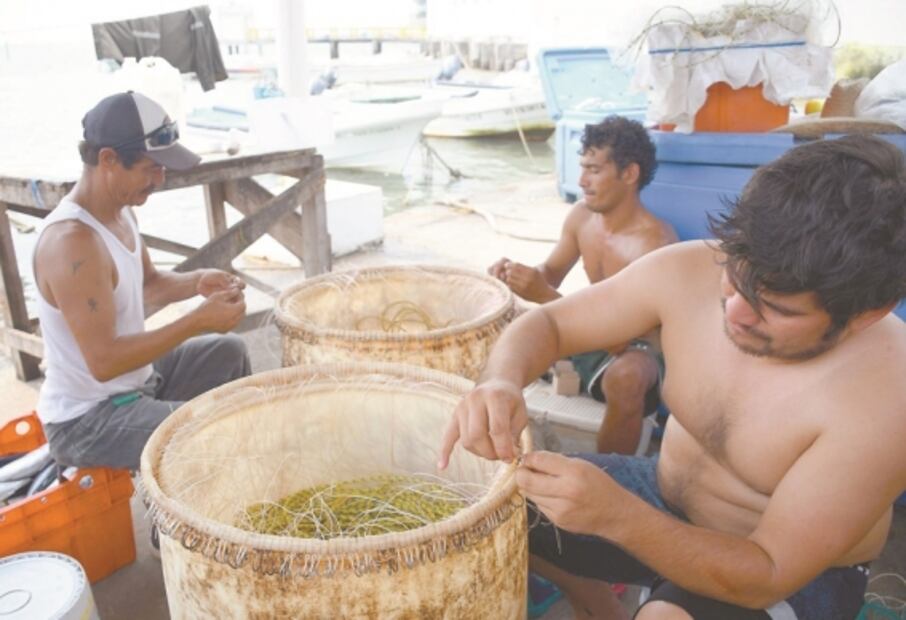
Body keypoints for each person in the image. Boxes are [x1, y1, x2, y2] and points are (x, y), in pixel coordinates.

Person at [439, 135, 906, 620]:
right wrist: (499, 381)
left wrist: (617, 516)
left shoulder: (886, 397)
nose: (736, 312)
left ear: (865, 316)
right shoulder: (689, 268)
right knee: (491, 503)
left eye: (778, 309)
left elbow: (767, 571)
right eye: (736, 277)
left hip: (778, 570)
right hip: (659, 494)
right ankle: (599, 606)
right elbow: (549, 324)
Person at [34, 91, 250, 472]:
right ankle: (177, 524)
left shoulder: (120, 212)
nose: (160, 179)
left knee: (229, 351)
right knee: (209, 436)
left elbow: (147, 285)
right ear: (108, 160)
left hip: (136, 382)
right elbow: (104, 361)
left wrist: (197, 281)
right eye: (151, 168)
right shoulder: (72, 244)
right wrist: (197, 320)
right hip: (86, 419)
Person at [488, 116, 677, 454]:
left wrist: (543, 294)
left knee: (628, 377)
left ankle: (607, 474)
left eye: (593, 170)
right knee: (503, 331)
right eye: (582, 168)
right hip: (593, 331)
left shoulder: (655, 243)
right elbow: (551, 272)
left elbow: (621, 338)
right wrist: (516, 276)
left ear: (629, 174)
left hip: (636, 347)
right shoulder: (580, 217)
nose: (581, 181)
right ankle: (501, 452)